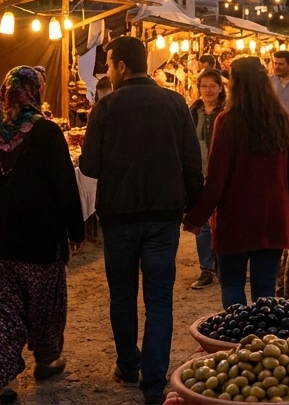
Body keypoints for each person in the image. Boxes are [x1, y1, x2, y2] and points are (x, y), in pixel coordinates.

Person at [80, 36, 203, 404]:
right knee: (159, 298)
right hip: (164, 216)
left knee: (122, 295)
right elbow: (192, 162)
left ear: (121, 66)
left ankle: (128, 365)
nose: (107, 72)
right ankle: (153, 383)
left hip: (119, 216)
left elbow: (89, 165)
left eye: (108, 65)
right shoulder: (175, 103)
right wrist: (192, 208)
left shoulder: (105, 108)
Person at [0, 66, 85, 403]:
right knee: (44, 307)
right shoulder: (47, 132)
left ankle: (7, 381)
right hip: (39, 243)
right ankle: (46, 360)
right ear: (34, 92)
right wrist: (76, 229)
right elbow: (65, 185)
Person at [184, 58, 289, 310]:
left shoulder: (227, 121)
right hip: (273, 216)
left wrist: (196, 217)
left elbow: (217, 178)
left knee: (231, 284)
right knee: (265, 288)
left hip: (235, 217)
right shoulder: (281, 119)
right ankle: (262, 333)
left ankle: (236, 331)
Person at [187, 69, 226, 290]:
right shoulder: (193, 111)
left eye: (212, 86)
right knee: (202, 221)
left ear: (220, 87)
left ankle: (224, 264)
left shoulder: (228, 112)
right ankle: (207, 269)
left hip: (222, 172)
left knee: (223, 219)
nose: (208, 90)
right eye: (204, 86)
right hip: (199, 172)